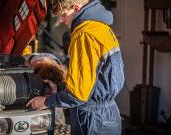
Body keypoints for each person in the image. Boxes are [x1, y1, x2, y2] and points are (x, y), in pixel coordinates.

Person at [26, 0, 125, 134]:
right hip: (108, 115)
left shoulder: (84, 34)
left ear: (76, 8)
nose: (61, 20)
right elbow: (93, 81)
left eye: (64, 15)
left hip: (92, 120)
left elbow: (78, 95)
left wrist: (45, 101)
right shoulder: (101, 28)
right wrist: (60, 89)